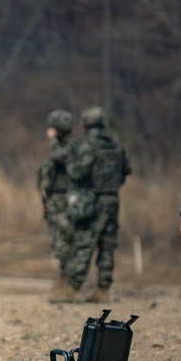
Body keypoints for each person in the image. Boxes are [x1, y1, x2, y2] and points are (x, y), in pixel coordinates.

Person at [64, 106, 131, 303]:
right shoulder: (116, 144)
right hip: (113, 199)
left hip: (93, 201)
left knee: (85, 242)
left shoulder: (89, 145)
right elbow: (127, 169)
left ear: (86, 125)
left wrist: (69, 164)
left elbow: (79, 172)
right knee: (108, 245)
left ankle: (74, 288)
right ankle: (103, 290)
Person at [37, 109, 78, 302]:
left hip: (65, 201)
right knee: (57, 242)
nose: (49, 132)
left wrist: (53, 141)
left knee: (65, 242)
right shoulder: (61, 146)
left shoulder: (69, 147)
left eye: (53, 128)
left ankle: (70, 283)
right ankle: (64, 280)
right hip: (54, 201)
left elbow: (59, 157)